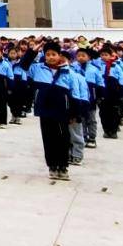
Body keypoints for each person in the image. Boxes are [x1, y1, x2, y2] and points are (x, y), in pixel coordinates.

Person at [33, 41, 73, 181]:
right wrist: (34, 50)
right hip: (45, 110)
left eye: (53, 54)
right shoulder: (38, 68)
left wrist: (74, 113)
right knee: (48, 138)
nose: (50, 57)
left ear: (59, 56)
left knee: (63, 138)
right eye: (47, 54)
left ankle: (63, 166)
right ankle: (52, 166)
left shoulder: (67, 71)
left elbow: (73, 93)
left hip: (62, 110)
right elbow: (24, 65)